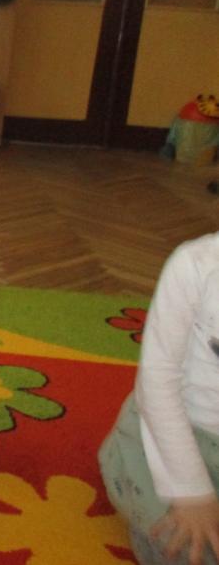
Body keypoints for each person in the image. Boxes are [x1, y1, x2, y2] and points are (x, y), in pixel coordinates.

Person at [100, 232, 219, 565]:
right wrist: (191, 491)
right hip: (174, 439)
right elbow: (157, 381)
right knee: (188, 547)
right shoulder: (196, 264)